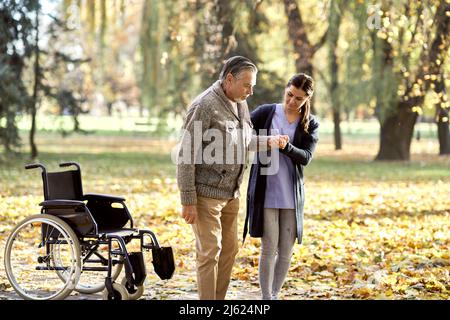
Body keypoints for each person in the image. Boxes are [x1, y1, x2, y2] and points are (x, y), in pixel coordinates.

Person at [176, 56, 284, 300]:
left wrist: (268, 142)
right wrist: (188, 199)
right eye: (247, 85)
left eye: (252, 85)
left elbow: (242, 142)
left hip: (231, 194)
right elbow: (186, 154)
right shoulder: (204, 105)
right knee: (209, 252)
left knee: (230, 251)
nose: (251, 90)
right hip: (205, 195)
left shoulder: (239, 103)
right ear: (229, 79)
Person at [244, 73, 319, 300]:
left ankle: (275, 294)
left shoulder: (311, 123)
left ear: (307, 99)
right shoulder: (267, 112)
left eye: (298, 98)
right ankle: (266, 297)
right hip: (266, 190)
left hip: (290, 194)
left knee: (285, 251)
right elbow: (242, 127)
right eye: (289, 95)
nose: (292, 102)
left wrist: (286, 147)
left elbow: (306, 157)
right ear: (285, 89)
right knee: (269, 248)